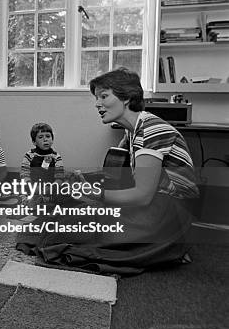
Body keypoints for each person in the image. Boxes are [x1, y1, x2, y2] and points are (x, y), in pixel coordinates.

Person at [17, 68, 199, 275]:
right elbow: (116, 176)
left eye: (104, 96)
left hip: (168, 211)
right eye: (97, 98)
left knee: (76, 233)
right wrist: (84, 181)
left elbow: (142, 196)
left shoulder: (152, 130)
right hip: (155, 205)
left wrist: (95, 193)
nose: (97, 104)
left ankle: (169, 248)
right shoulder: (132, 133)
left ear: (127, 98)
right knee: (64, 219)